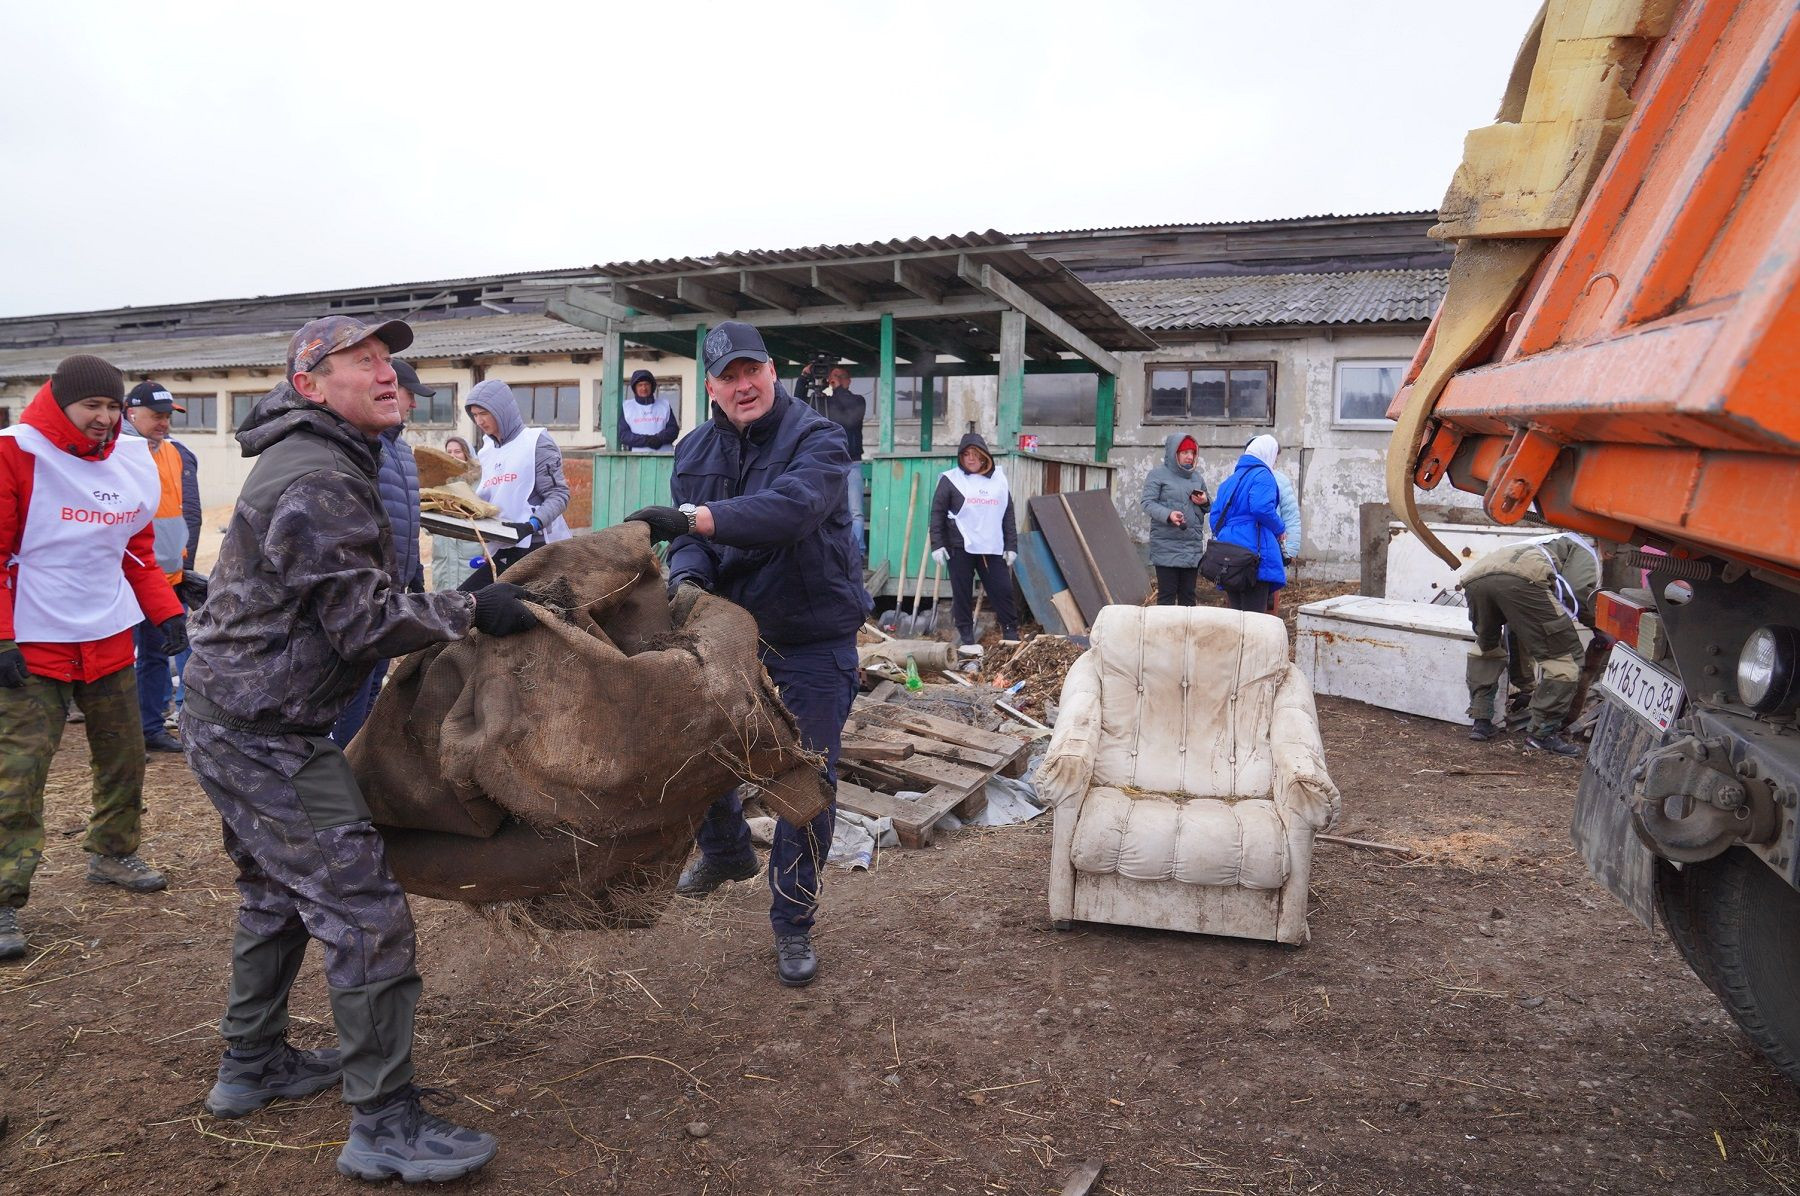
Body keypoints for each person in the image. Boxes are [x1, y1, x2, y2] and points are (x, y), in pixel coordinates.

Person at [179, 316, 540, 1182]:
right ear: (309, 385)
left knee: (276, 892)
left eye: (387, 359)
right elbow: (363, 622)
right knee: (364, 911)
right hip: (264, 735)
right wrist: (471, 610)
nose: (386, 374)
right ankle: (385, 1123)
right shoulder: (318, 476)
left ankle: (251, 1064)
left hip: (241, 719)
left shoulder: (329, 455)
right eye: (361, 361)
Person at [624, 320, 865, 989]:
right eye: (727, 377)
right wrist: (687, 581)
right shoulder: (694, 448)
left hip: (811, 632)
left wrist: (695, 520)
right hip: (730, 628)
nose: (742, 386)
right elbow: (689, 541)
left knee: (804, 778)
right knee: (698, 744)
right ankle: (728, 851)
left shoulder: (818, 438)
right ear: (710, 387)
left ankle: (792, 920)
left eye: (751, 371)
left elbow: (791, 510)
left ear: (772, 371)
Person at [0, 355, 183, 962]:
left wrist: (166, 614)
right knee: (19, 772)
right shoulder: (15, 453)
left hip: (106, 635)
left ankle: (113, 851)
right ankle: (3, 896)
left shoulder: (129, 460)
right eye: (91, 406)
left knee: (124, 756)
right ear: (59, 402)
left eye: (111, 406)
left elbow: (135, 552)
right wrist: (2, 637)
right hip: (33, 641)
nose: (104, 418)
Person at [328, 359, 431, 746]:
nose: (413, 404)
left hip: (394, 588)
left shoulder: (401, 450)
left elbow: (406, 517)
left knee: (374, 684)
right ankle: (344, 761)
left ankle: (359, 757)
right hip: (369, 590)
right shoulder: (363, 447)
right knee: (355, 687)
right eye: (409, 394)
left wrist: (414, 571)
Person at [1460, 532, 1601, 756]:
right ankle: (1542, 734)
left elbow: (1518, 631)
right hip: (1524, 579)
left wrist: (1526, 687)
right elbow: (1579, 591)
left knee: (1487, 647)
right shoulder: (1583, 544)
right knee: (1565, 660)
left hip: (1476, 579)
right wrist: (1597, 626)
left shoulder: (1540, 541)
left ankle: (1481, 721)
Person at [122, 381, 201, 753]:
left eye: (168, 416)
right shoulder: (117, 453)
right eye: (156, 416)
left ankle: (150, 728)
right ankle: (123, 736)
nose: (164, 423)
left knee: (156, 656)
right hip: (125, 578)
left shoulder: (174, 454)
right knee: (121, 661)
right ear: (131, 413)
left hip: (166, 578)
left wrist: (184, 569)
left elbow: (183, 515)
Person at [465, 379, 571, 572]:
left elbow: (559, 495)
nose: (479, 421)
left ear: (502, 410)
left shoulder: (536, 442)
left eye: (484, 413)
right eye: (475, 415)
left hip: (537, 546)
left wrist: (531, 525)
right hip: (500, 546)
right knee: (471, 591)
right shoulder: (486, 450)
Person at [929, 433, 1020, 648]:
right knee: (961, 593)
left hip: (991, 546)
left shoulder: (998, 480)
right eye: (966, 454)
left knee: (1003, 590)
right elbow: (937, 513)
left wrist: (1011, 545)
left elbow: (1007, 514)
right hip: (960, 545)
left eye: (975, 454)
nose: (970, 459)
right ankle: (967, 638)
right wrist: (937, 544)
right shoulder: (950, 480)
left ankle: (1011, 633)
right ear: (960, 457)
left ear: (984, 456)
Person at [1208, 434, 1286, 613]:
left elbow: (1215, 518)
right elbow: (1261, 507)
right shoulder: (1263, 475)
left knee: (1236, 614)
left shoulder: (1230, 480)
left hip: (1229, 554)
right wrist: (1280, 528)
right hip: (1254, 553)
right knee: (1254, 617)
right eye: (1275, 458)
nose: (1274, 464)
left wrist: (1231, 534)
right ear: (1268, 454)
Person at [796, 361, 868, 553]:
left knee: (855, 511)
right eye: (832, 376)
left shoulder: (857, 400)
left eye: (839, 376)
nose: (834, 379)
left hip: (851, 462)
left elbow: (851, 418)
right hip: (827, 463)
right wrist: (804, 378)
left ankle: (857, 551)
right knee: (821, 509)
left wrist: (837, 388)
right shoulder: (823, 402)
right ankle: (830, 551)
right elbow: (798, 404)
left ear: (848, 381)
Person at [1141, 433, 1208, 606]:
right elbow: (1147, 503)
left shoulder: (1197, 478)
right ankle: (1164, 626)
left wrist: (1205, 501)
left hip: (1191, 547)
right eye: (1185, 452)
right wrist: (1168, 515)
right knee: (1167, 596)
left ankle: (1186, 625)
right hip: (1166, 547)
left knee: (1188, 597)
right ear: (1174, 453)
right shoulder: (1157, 475)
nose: (1190, 456)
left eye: (1192, 453)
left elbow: (1208, 507)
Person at [428, 436, 478, 591]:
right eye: (449, 451)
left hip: (470, 551)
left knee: (471, 594)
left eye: (458, 451)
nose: (453, 455)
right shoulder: (438, 482)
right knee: (444, 597)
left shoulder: (479, 482)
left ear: (467, 454)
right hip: (443, 552)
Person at [617, 369, 679, 452]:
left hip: (665, 456)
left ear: (652, 386)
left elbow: (673, 429)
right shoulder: (627, 407)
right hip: (636, 457)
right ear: (635, 388)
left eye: (647, 384)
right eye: (640, 385)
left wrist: (659, 439)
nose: (644, 388)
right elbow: (624, 435)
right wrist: (647, 440)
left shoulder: (664, 405)